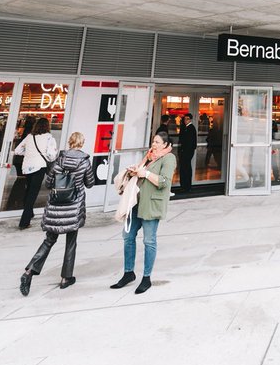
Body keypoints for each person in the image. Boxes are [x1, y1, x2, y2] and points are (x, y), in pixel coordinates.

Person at [19, 131, 95, 295]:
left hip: (56, 206)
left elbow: (48, 183)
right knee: (71, 241)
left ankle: (29, 271)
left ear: (69, 143)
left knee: (49, 240)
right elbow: (90, 183)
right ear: (81, 144)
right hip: (73, 206)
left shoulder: (59, 160)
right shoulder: (84, 162)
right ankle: (66, 277)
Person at [110, 129, 176, 294]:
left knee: (149, 241)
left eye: (157, 142)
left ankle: (146, 277)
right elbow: (140, 173)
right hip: (135, 202)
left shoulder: (169, 158)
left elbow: (164, 182)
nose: (154, 145)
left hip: (151, 204)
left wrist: (145, 173)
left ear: (166, 145)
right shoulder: (148, 156)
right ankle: (128, 272)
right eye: (153, 141)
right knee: (128, 237)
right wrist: (135, 172)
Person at [14, 116, 58, 229]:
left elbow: (18, 150)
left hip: (27, 167)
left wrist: (30, 153)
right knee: (33, 193)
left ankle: (30, 213)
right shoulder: (49, 138)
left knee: (28, 190)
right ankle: (24, 221)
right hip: (39, 167)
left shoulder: (29, 137)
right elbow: (52, 155)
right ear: (47, 126)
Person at [177, 112, 197, 194]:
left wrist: (187, 151)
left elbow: (191, 142)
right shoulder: (184, 127)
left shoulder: (191, 128)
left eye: (187, 119)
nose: (185, 120)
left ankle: (187, 186)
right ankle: (184, 186)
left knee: (186, 168)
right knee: (184, 168)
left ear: (190, 119)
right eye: (184, 119)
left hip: (187, 152)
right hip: (184, 151)